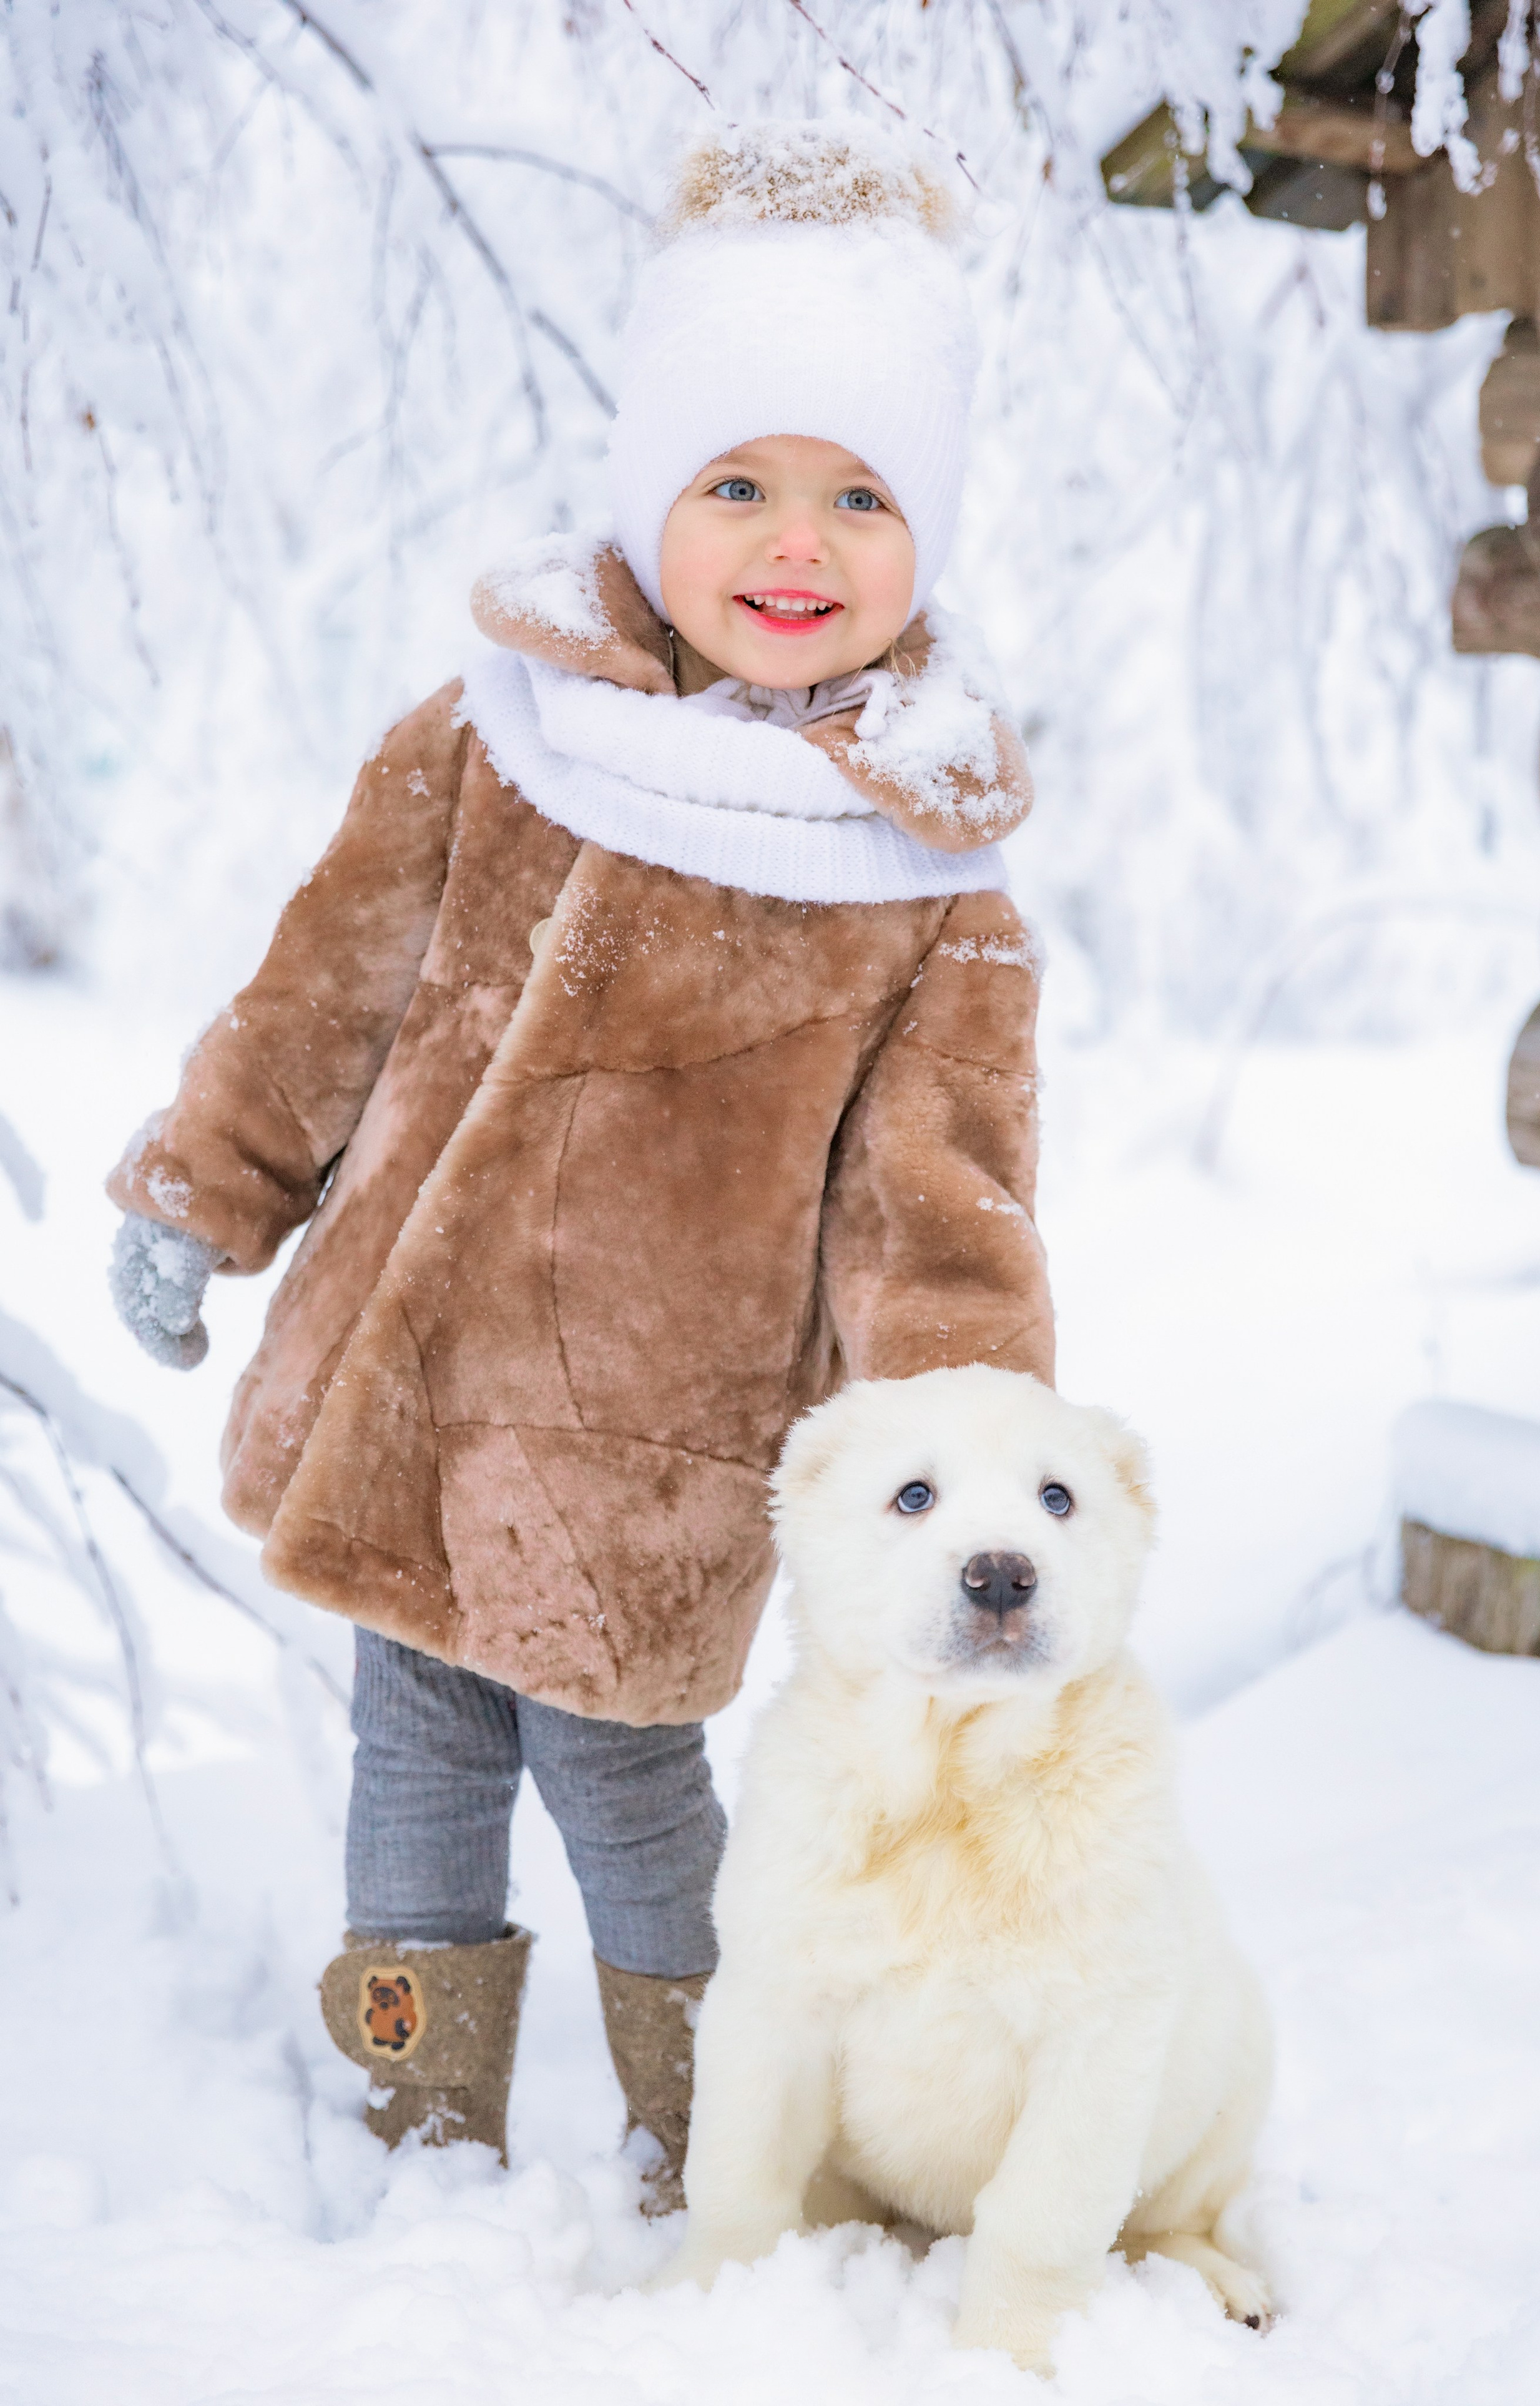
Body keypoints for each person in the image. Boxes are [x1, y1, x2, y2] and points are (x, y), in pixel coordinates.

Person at [105, 118, 1054, 2209]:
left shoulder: (919, 883)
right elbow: (326, 990)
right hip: (407, 1385)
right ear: (652, 494)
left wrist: (971, 1468)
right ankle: (418, 2110)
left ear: (927, 534)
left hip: (659, 1454)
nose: (795, 543)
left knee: (627, 1787)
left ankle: (715, 2138)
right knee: (416, 1762)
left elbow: (943, 1217)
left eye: (861, 496)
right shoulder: (499, 740)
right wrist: (205, 1183)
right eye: (738, 484)